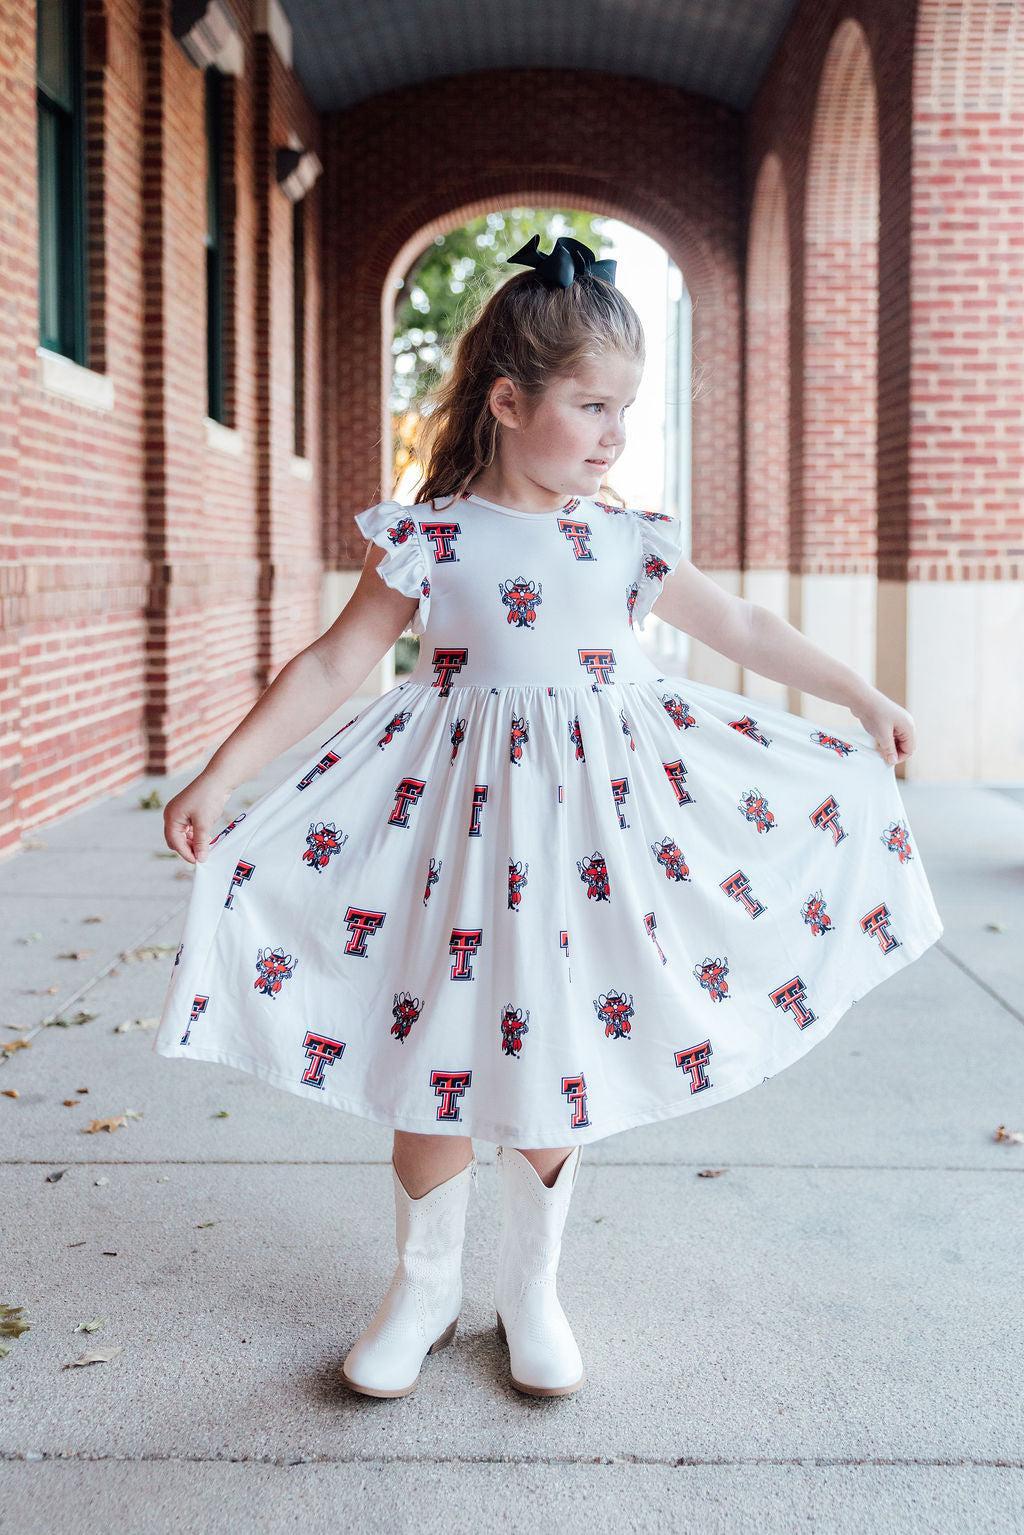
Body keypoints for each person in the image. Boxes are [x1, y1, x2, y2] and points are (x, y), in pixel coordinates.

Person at [151, 233, 944, 1403]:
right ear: (510, 400)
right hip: (451, 840)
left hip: (586, 843)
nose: (615, 433)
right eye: (591, 404)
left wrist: (860, 696)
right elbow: (332, 666)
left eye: (626, 407)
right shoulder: (433, 540)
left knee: (549, 1051)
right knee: (435, 1047)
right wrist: (220, 776)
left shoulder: (625, 540)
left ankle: (531, 1289)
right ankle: (421, 1291)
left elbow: (747, 633)